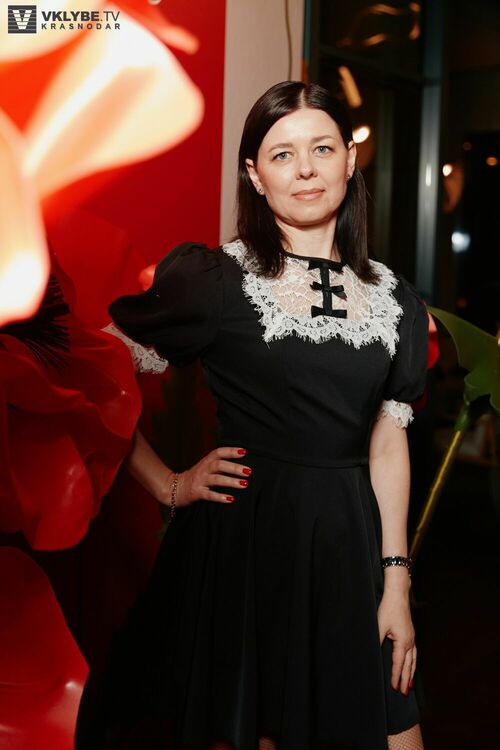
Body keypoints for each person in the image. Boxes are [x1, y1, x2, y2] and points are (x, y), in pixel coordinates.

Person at [74, 81, 429, 750]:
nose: (305, 170)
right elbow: (93, 373)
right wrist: (168, 483)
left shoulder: (395, 299)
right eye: (282, 154)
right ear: (255, 175)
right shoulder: (215, 279)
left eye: (322, 149)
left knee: (392, 730)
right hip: (246, 551)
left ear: (349, 160)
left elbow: (388, 442)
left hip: (349, 549)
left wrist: (396, 581)